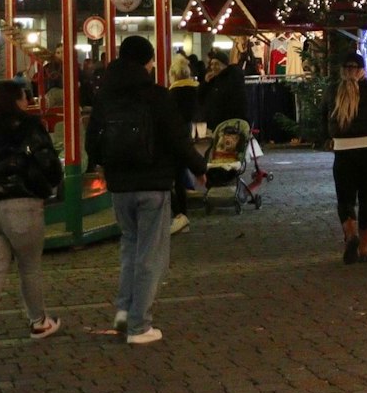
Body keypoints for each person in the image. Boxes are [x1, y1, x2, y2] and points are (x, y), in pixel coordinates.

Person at [86, 35, 203, 346]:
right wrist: (201, 168)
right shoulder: (157, 97)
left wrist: (101, 163)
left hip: (120, 185)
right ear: (148, 62)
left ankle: (124, 310)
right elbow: (179, 140)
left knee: (130, 247)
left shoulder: (106, 96)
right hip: (153, 184)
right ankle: (140, 325)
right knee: (151, 256)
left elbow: (92, 139)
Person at [0, 82, 63, 350]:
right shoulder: (29, 127)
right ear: (19, 101)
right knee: (29, 266)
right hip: (21, 204)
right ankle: (38, 321)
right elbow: (48, 163)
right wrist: (48, 186)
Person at [328, 53, 367, 264]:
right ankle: (364, 248)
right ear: (362, 69)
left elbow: (323, 120)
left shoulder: (333, 90)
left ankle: (350, 232)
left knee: (345, 198)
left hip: (344, 150)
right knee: (366, 199)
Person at [167, 62, 201, 235]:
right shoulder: (194, 89)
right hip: (186, 135)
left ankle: (179, 214)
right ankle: (183, 216)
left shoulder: (172, 93)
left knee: (169, 180)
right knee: (180, 178)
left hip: (173, 138)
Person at [197, 53, 247, 132]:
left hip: (229, 124)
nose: (213, 67)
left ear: (225, 65)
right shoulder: (213, 80)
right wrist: (205, 82)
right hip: (215, 126)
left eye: (217, 64)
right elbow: (200, 97)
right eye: (212, 64)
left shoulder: (233, 79)